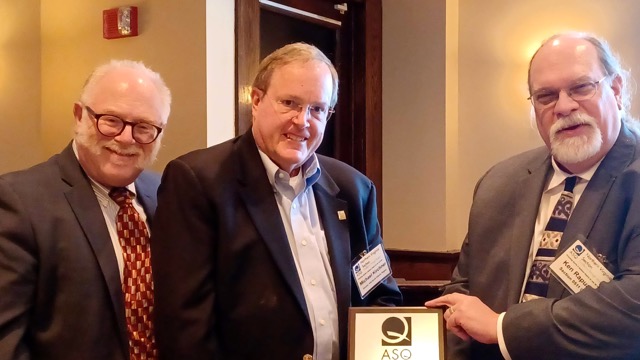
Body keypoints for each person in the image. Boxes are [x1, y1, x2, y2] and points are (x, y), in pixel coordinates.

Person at [151, 42, 402, 360]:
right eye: (289, 103)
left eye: (317, 109)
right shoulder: (198, 182)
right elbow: (185, 327)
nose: (302, 121)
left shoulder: (354, 189)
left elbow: (379, 295)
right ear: (256, 100)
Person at [426, 32, 640, 360]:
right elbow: (462, 293)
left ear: (616, 89)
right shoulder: (498, 182)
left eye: (581, 87)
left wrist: (503, 328)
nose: (564, 106)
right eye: (546, 96)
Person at [0, 60, 171, 360]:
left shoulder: (166, 194)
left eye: (144, 127)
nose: (126, 138)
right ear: (80, 115)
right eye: (111, 120)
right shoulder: (18, 201)